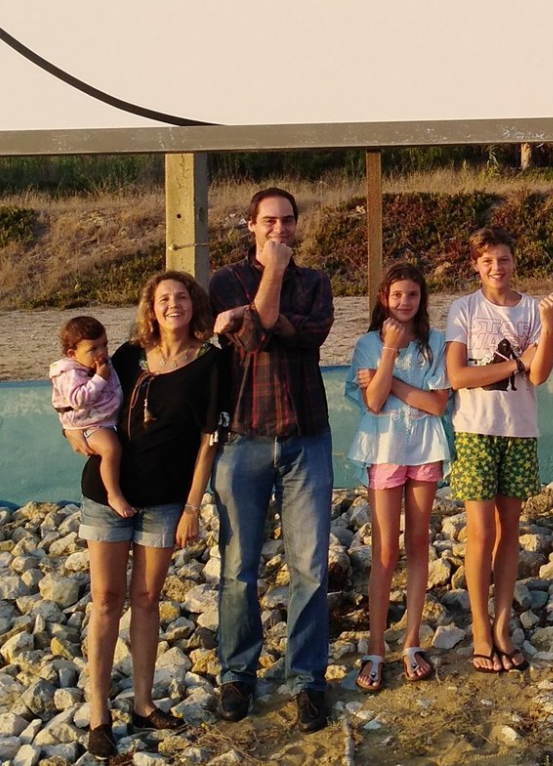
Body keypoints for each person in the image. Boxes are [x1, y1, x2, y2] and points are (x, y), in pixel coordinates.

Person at [78, 272, 224, 761]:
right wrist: (72, 436)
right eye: (163, 299)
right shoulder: (125, 356)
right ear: (151, 308)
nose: (173, 305)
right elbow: (80, 403)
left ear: (193, 304)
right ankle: (99, 716)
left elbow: (209, 440)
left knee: (145, 598)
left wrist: (192, 506)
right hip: (107, 495)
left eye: (181, 297)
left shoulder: (209, 362)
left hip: (165, 501)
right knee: (105, 600)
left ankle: (143, 705)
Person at [209, 187, 337, 732]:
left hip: (307, 438)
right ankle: (238, 672)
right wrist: (273, 283)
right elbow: (254, 337)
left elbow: (310, 334)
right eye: (268, 221)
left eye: (286, 221)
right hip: (243, 440)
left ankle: (307, 678)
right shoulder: (224, 281)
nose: (278, 230)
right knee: (239, 568)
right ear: (251, 226)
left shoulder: (318, 283)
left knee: (309, 566)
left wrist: (271, 311)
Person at [444, 225, 553, 674]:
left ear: (515, 262)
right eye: (488, 260)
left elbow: (542, 373)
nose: (497, 268)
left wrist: (548, 328)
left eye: (504, 259)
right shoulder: (464, 309)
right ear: (476, 264)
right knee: (482, 533)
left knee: (510, 531)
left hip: (519, 430)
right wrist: (514, 363)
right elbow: (458, 376)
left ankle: (503, 624)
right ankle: (478, 626)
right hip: (475, 430)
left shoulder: (532, 309)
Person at [347, 262, 452, 693]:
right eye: (397, 296)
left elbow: (437, 405)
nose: (404, 302)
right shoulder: (367, 344)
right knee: (386, 549)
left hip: (425, 449)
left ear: (421, 299)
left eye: (412, 295)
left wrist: (392, 383)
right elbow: (371, 403)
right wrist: (389, 351)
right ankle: (375, 647)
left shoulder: (437, 343)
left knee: (419, 542)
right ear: (383, 299)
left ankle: (411, 641)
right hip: (385, 451)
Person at [50, 314, 135, 518]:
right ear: (73, 354)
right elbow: (78, 400)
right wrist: (99, 378)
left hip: (104, 419)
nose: (102, 353)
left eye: (104, 345)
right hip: (88, 423)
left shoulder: (100, 363)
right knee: (111, 449)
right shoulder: (70, 372)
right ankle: (113, 494)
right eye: (93, 349)